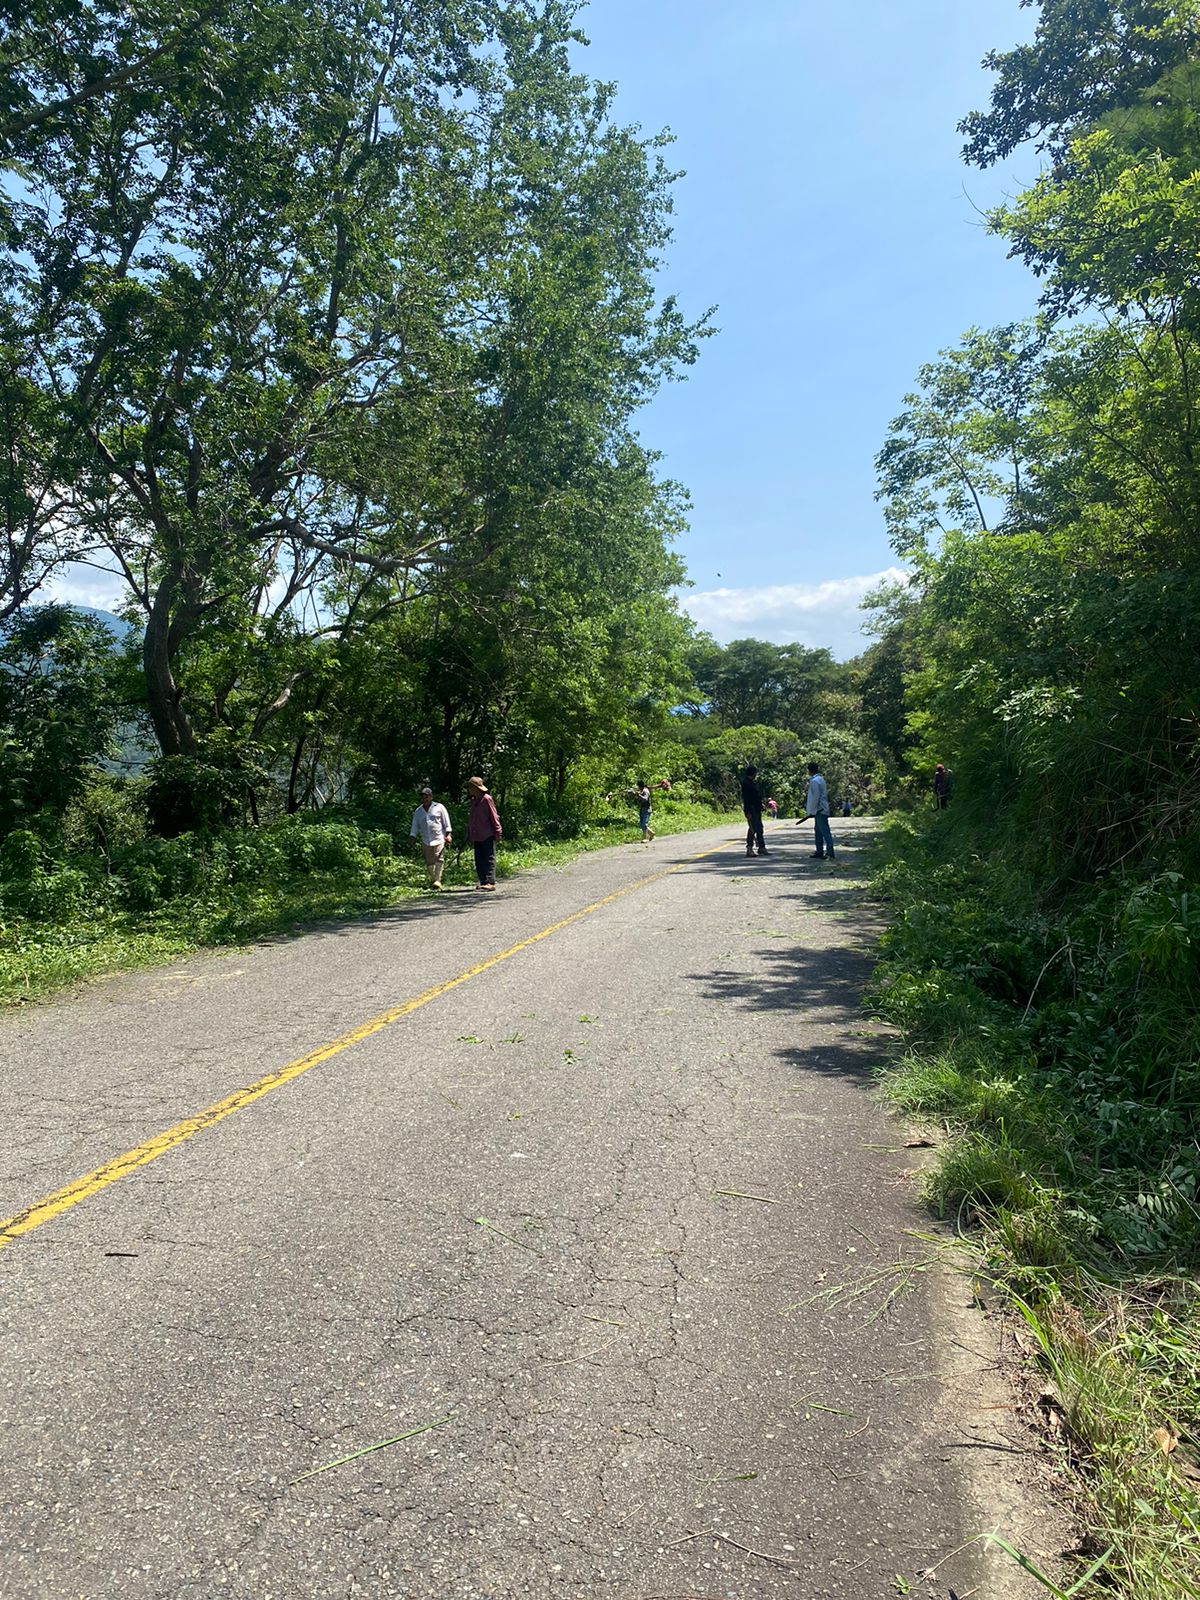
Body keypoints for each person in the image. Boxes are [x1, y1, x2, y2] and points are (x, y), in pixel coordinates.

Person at [409, 785, 453, 889]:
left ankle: (438, 880)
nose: (425, 799)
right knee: (429, 860)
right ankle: (434, 879)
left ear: (431, 797)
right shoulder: (418, 811)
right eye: (423, 797)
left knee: (439, 858)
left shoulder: (439, 807)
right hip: (426, 839)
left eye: (427, 797)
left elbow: (446, 822)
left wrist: (448, 834)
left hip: (439, 837)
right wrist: (412, 836)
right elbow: (415, 826)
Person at [467, 775, 502, 890]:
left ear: (476, 788)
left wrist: (497, 831)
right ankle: (483, 881)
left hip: (487, 834)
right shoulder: (473, 801)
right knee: (479, 859)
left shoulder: (487, 799)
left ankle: (490, 882)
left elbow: (494, 816)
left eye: (471, 787)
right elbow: (472, 819)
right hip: (477, 835)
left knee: (489, 858)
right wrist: (469, 832)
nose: (469, 789)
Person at [804, 761, 834, 860]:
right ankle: (819, 851)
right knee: (818, 831)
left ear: (809, 770)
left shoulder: (814, 781)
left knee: (824, 831)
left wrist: (812, 811)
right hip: (820, 809)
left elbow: (815, 797)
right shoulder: (820, 779)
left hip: (819, 809)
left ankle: (830, 852)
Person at [740, 764, 767, 857]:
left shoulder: (753, 783)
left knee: (759, 827)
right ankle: (749, 848)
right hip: (751, 809)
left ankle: (762, 847)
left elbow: (756, 796)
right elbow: (747, 799)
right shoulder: (746, 783)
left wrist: (761, 804)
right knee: (753, 828)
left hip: (756, 808)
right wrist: (748, 811)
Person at [636, 779, 655, 843]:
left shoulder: (646, 791)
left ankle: (645, 838)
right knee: (642, 824)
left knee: (644, 824)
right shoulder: (641, 791)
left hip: (647, 809)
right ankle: (651, 833)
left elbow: (645, 799)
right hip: (642, 808)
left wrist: (638, 795)